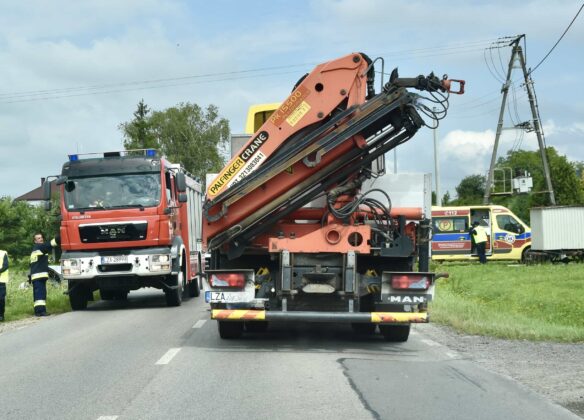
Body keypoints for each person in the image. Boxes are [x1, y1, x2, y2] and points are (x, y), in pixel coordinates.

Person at [29, 233, 60, 317]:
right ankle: (41, 312)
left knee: (38, 294)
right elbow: (50, 244)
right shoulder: (39, 247)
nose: (41, 239)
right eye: (38, 238)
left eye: (41, 237)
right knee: (40, 294)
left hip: (36, 276)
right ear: (35, 241)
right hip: (39, 276)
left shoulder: (34, 249)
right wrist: (60, 236)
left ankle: (38, 311)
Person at [0, 248, 9, 322]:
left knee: (1, 299)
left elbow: (6, 265)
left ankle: (1, 315)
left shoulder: (3, 253)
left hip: (1, 280)